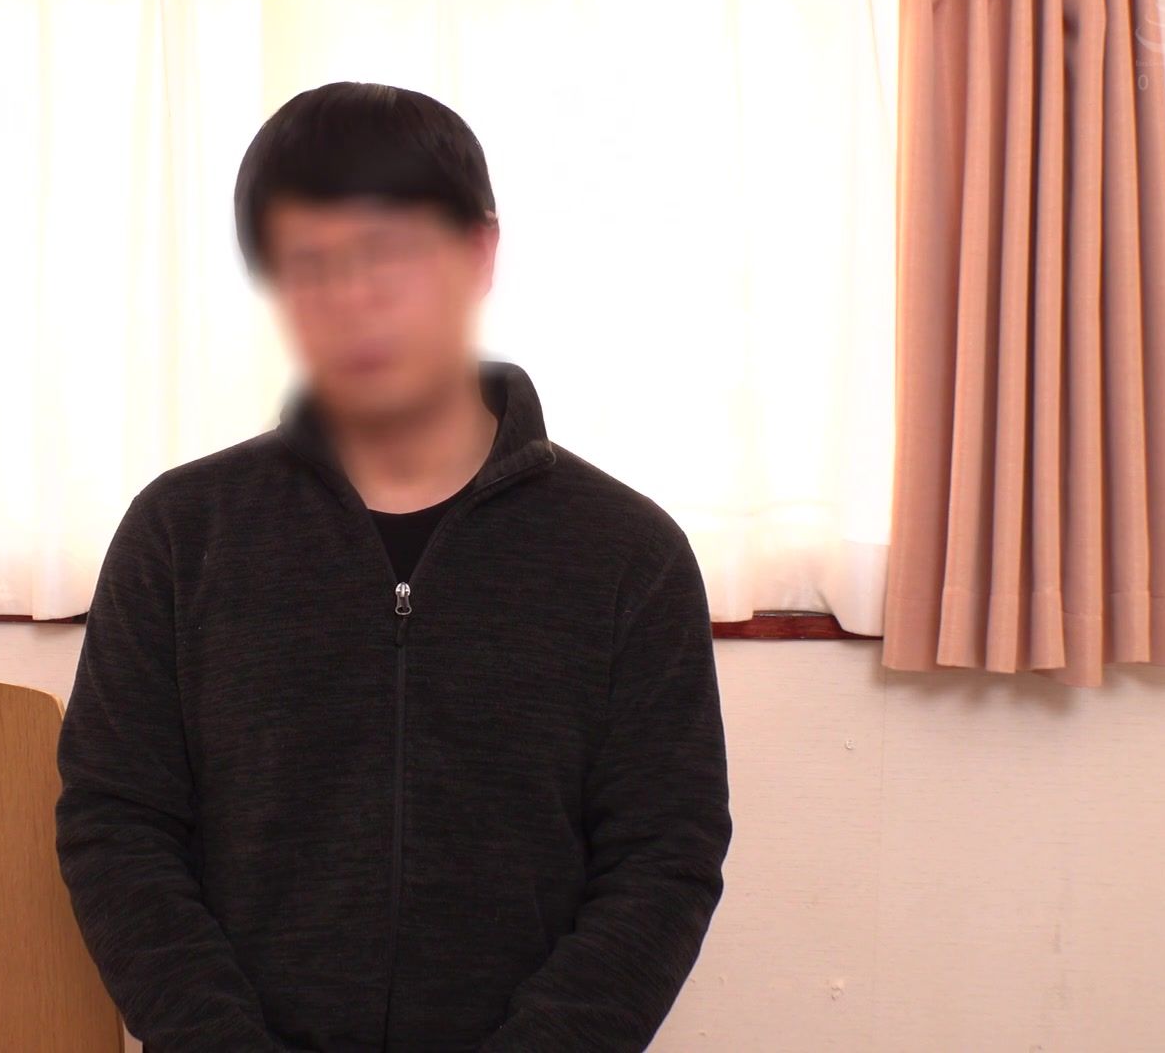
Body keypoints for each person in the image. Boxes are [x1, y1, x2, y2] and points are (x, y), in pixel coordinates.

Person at [56, 81, 731, 1052]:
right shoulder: (180, 534)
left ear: (480, 253)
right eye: (309, 264)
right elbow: (118, 827)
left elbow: (664, 857)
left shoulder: (630, 556)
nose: (353, 300)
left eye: (391, 253)